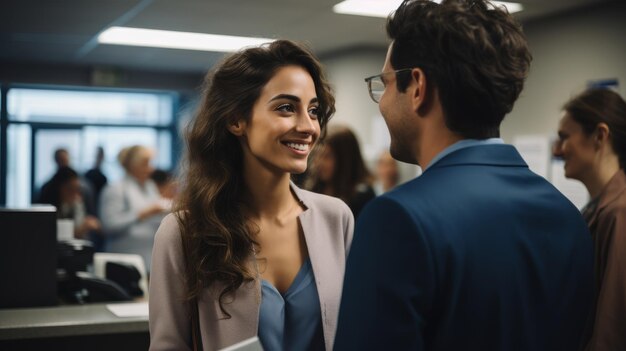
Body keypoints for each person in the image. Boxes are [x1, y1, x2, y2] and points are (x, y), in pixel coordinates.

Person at [334, 1, 593, 350]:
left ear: (417, 88)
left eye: (384, 84)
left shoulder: (397, 219)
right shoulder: (567, 216)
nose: (380, 102)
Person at [148, 40, 354, 351]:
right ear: (236, 120)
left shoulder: (336, 218)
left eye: (313, 110)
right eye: (286, 107)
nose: (308, 126)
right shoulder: (184, 231)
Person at [552, 88, 626, 351]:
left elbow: (612, 331)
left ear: (599, 135)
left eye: (564, 137)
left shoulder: (619, 212)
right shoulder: (598, 209)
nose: (558, 150)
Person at [99, 145, 168, 270]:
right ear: (133, 165)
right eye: (145, 164)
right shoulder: (115, 189)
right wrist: (142, 214)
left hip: (149, 260)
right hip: (124, 263)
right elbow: (109, 226)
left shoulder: (150, 186)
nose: (151, 169)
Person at [307, 126, 376, 218]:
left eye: (327, 156)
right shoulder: (314, 188)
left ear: (345, 160)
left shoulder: (362, 196)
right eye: (317, 154)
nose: (318, 162)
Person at [38, 166, 101, 239]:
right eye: (70, 189)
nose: (75, 195)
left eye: (77, 189)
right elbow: (60, 237)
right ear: (60, 188)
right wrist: (82, 228)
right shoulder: (48, 209)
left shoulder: (76, 203)